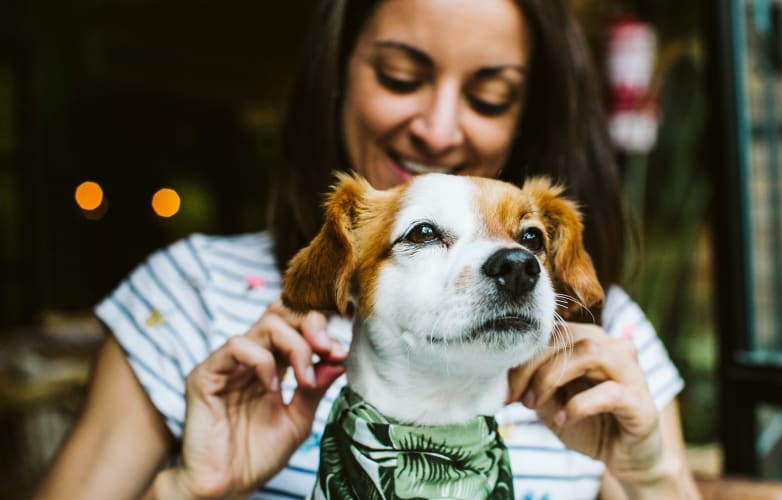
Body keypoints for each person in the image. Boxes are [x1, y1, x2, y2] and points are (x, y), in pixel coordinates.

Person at [36, 0, 702, 498]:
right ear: (338, 72)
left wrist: (655, 476)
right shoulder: (190, 292)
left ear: (528, 114)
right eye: (400, 77)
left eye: (488, 97)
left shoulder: (598, 338)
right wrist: (186, 489)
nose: (440, 129)